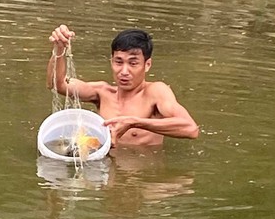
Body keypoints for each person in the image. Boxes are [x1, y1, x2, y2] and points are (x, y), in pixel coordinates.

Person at [47, 25, 199, 148]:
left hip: (145, 178)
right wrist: (59, 48)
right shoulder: (102, 92)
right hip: (107, 173)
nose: (124, 71)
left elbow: (191, 129)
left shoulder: (155, 92)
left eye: (133, 63)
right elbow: (57, 84)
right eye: (118, 62)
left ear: (147, 65)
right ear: (111, 62)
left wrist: (134, 122)